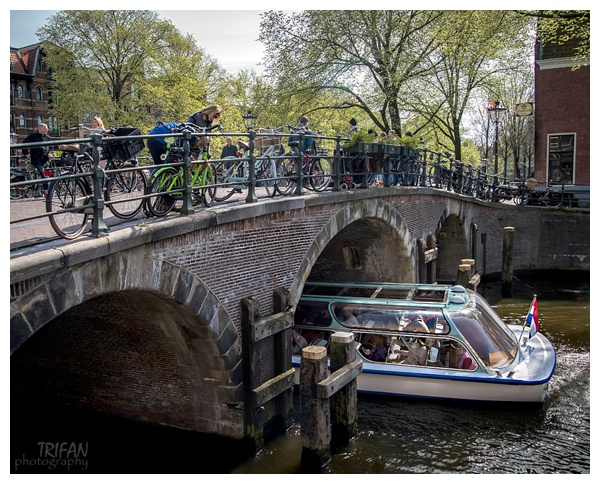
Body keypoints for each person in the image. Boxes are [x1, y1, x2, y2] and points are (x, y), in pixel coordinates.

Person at [22, 123, 53, 196]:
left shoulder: (48, 138)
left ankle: (45, 190)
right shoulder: (33, 136)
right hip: (37, 159)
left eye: (47, 128)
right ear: (40, 129)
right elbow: (24, 143)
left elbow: (51, 147)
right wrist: (26, 153)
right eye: (45, 128)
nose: (47, 129)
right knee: (43, 174)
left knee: (49, 174)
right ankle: (47, 193)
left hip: (46, 160)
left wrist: (50, 153)